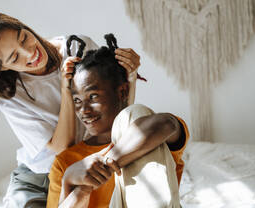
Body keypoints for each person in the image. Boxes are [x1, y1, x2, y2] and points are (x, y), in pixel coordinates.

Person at [0, 12, 141, 208]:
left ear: (25, 27)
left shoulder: (78, 48)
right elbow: (63, 149)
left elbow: (117, 111)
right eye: (14, 57)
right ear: (2, 68)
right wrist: (67, 87)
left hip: (86, 164)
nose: (29, 53)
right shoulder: (10, 96)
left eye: (24, 38)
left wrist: (130, 72)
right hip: (39, 177)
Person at [46, 35, 189, 208]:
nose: (84, 110)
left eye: (93, 96)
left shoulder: (150, 130)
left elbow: (167, 124)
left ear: (122, 92)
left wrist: (104, 163)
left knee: (134, 114)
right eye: (77, 101)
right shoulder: (65, 161)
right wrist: (71, 180)